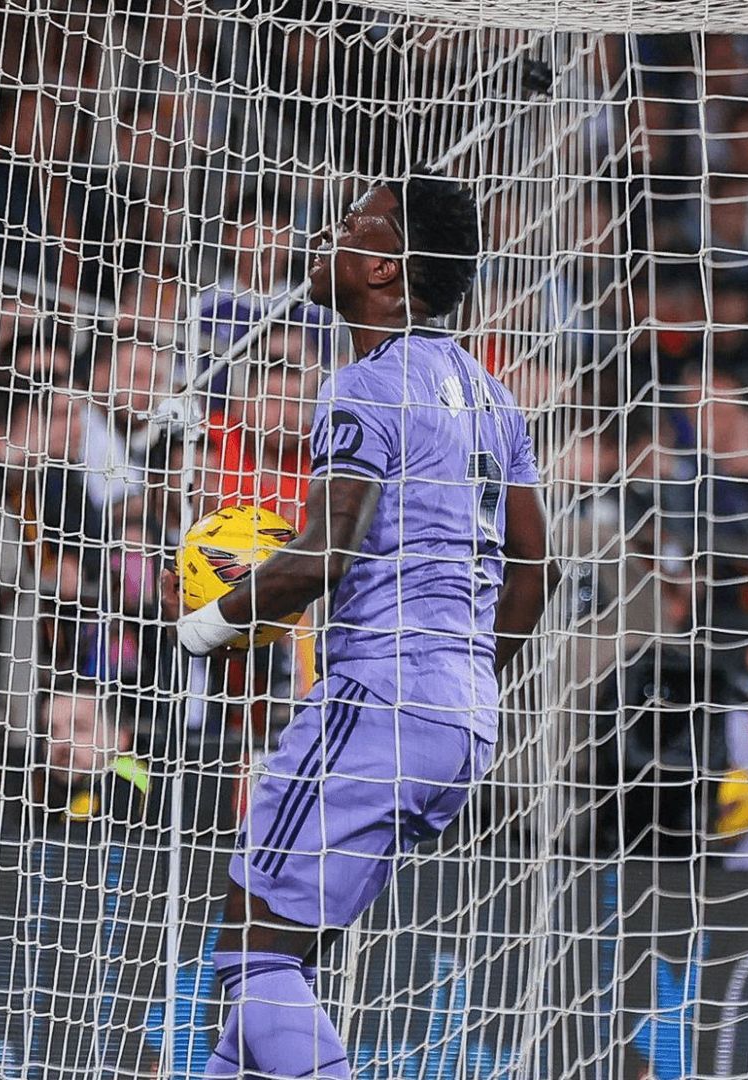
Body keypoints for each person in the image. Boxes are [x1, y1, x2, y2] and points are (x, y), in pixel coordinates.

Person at [171, 175, 549, 1079]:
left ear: (384, 265)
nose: (322, 238)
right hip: (464, 716)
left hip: (375, 700)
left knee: (251, 951)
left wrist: (202, 627)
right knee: (280, 963)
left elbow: (320, 555)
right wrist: (455, 680)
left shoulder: (366, 384)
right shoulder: (497, 401)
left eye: (347, 226)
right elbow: (535, 572)